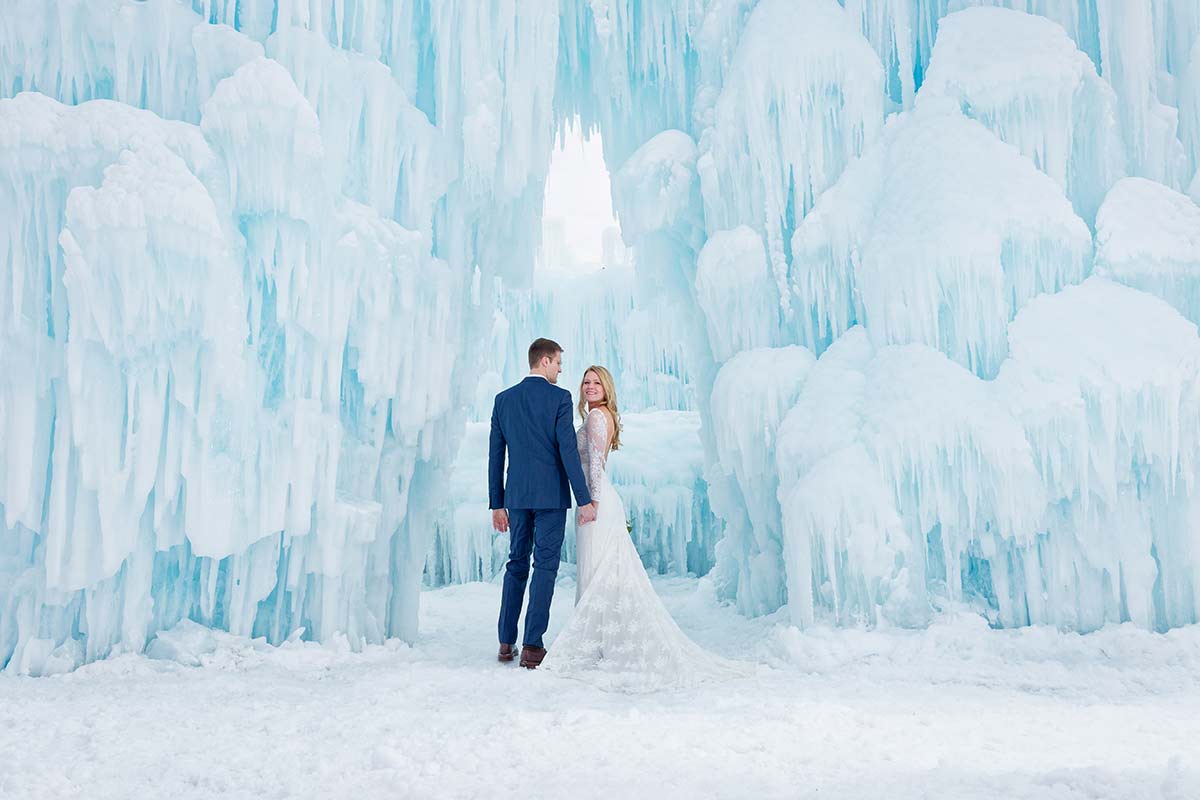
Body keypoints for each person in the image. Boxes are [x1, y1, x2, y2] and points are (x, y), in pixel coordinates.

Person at [541, 365, 751, 691]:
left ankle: (602, 643)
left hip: (597, 502)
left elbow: (595, 465)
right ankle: (604, 642)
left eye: (597, 382)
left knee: (599, 571)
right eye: (586, 382)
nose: (590, 386)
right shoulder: (597, 416)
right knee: (600, 571)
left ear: (607, 387)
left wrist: (590, 504)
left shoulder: (597, 418)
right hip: (597, 501)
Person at [489, 338, 597, 669]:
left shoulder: (503, 400)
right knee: (545, 567)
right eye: (559, 363)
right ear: (545, 361)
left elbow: (496, 455)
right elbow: (567, 450)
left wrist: (497, 503)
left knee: (516, 563)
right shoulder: (559, 398)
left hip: (517, 497)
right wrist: (585, 499)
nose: (562, 369)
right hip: (551, 497)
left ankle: (506, 642)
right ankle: (533, 646)